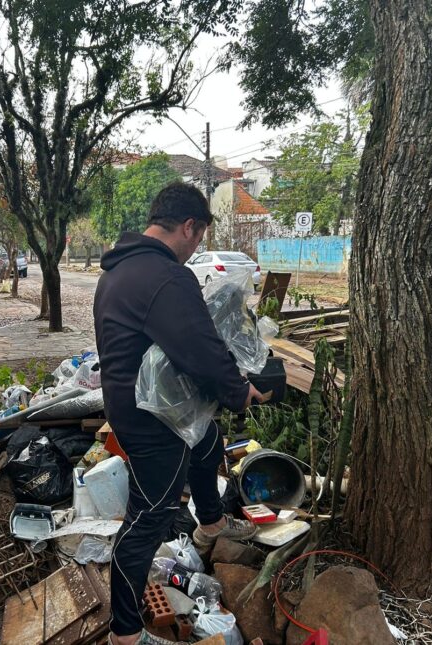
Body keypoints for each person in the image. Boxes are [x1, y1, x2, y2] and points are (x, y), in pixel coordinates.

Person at [93, 183, 265, 645]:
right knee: (146, 521)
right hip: (153, 422)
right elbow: (201, 350)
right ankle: (125, 633)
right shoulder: (166, 277)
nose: (197, 249)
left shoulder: (120, 270)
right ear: (189, 226)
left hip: (138, 406)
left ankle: (210, 520)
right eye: (200, 238)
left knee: (207, 441)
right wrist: (240, 388)